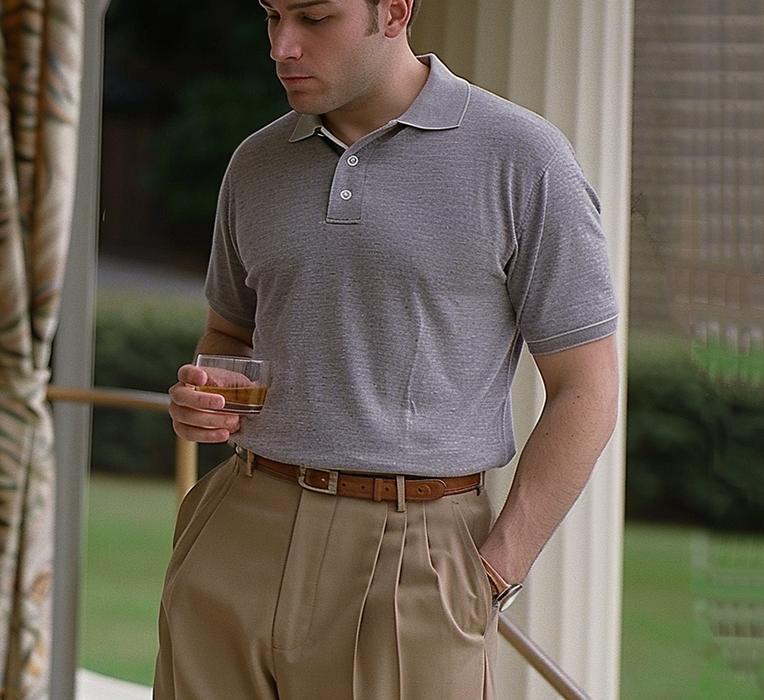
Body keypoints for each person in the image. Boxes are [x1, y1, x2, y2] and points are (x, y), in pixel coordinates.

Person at [156, 0, 620, 697]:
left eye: (314, 18)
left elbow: (589, 386)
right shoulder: (254, 163)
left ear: (396, 11)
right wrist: (204, 397)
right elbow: (230, 332)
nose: (282, 46)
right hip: (240, 529)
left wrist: (493, 573)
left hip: (416, 557)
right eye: (272, 15)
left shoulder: (525, 159)